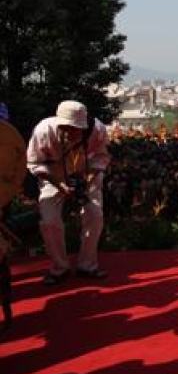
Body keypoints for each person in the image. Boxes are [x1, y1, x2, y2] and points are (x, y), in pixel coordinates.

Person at [27, 100, 111, 285]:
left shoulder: (97, 129)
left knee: (95, 216)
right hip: (53, 175)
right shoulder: (43, 131)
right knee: (49, 221)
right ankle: (59, 267)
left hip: (86, 172)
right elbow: (35, 163)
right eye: (67, 128)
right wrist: (58, 184)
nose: (72, 132)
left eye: (77, 128)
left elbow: (102, 157)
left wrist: (87, 179)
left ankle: (87, 264)